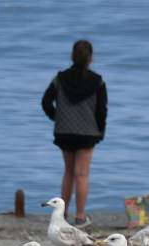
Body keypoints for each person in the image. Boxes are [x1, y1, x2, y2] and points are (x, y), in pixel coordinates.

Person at [42, 40, 107, 227]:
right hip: (87, 132)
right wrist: (99, 130)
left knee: (68, 172)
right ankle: (80, 217)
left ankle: (62, 216)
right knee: (82, 174)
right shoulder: (98, 81)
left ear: (72, 56)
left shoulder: (60, 79)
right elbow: (102, 111)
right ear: (91, 59)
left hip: (64, 131)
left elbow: (46, 102)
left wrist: (57, 117)